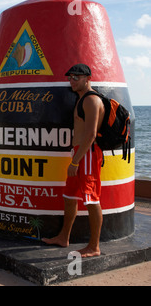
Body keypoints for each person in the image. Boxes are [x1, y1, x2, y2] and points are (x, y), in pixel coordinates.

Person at [42, 64, 105, 257]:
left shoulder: (91, 100)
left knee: (91, 199)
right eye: (70, 78)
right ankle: (63, 237)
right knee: (69, 197)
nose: (72, 81)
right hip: (78, 153)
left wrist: (76, 161)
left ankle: (94, 247)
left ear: (88, 78)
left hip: (86, 155)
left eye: (76, 77)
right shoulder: (81, 99)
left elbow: (91, 134)